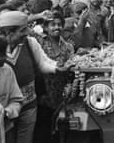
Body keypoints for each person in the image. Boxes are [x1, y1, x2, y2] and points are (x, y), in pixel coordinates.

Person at [0, 11, 74, 143]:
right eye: (22, 31)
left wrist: (57, 68)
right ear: (9, 32)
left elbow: (43, 63)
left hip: (28, 103)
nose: (26, 33)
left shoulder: (30, 42)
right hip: (4, 106)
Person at [35, 12, 75, 143]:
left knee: (61, 125)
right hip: (44, 91)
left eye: (59, 24)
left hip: (61, 91)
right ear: (45, 28)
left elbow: (71, 69)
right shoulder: (39, 42)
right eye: (52, 25)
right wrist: (38, 16)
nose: (56, 27)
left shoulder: (68, 46)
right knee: (44, 126)